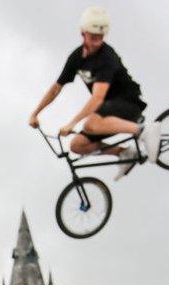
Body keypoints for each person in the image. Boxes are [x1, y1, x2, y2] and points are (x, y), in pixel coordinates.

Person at [28, 6, 161, 180]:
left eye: (101, 38)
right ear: (83, 34)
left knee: (90, 124)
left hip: (128, 103)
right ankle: (124, 154)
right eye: (93, 37)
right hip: (106, 111)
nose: (97, 42)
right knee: (77, 145)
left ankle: (143, 130)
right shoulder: (77, 57)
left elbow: (97, 98)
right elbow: (56, 88)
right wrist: (35, 113)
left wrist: (72, 123)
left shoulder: (107, 57)